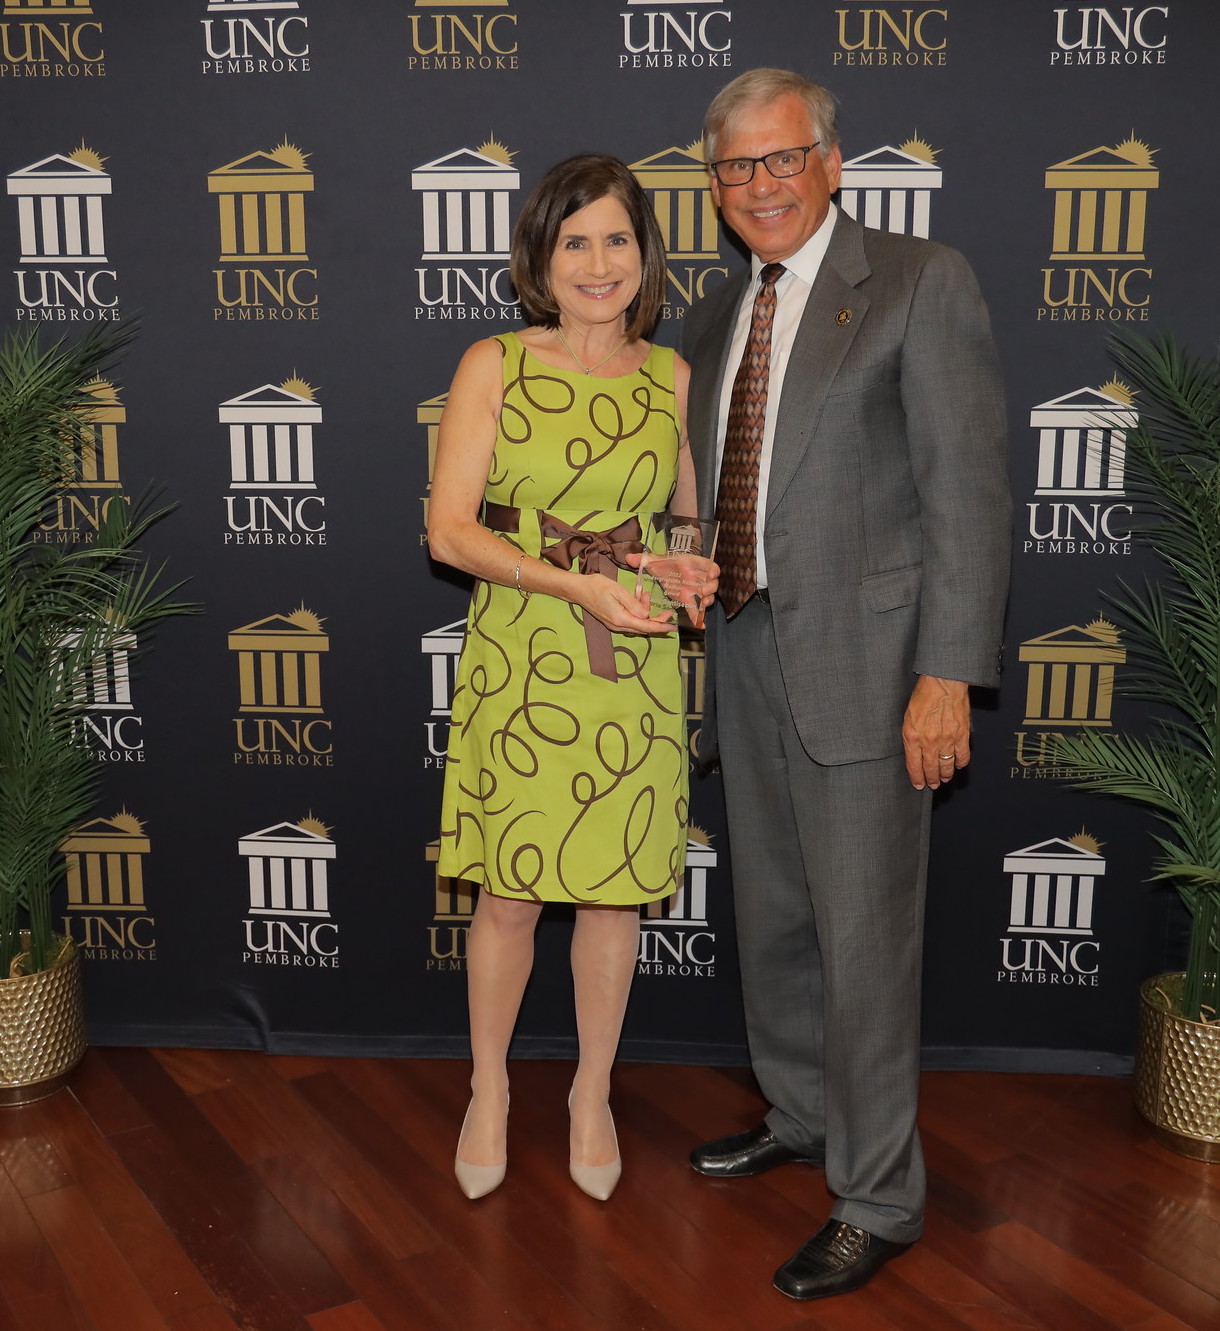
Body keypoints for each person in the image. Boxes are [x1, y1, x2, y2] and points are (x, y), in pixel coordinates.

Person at [683, 70, 1010, 1299]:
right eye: (735, 166)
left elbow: (966, 493)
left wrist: (945, 674)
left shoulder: (919, 282)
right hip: (743, 646)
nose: (759, 184)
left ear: (830, 162)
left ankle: (877, 1196)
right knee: (773, 919)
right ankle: (802, 1112)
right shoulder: (714, 316)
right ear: (712, 184)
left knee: (864, 943)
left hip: (872, 670)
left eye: (782, 158)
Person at [427, 154, 715, 1203]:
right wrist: (569, 584)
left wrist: (682, 565)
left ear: (645, 253)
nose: (598, 264)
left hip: (632, 661)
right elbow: (449, 531)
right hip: (521, 652)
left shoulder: (672, 377)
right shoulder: (494, 363)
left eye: (616, 240)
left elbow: (682, 520)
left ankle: (592, 1092)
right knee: (508, 892)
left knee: (613, 893)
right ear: (540, 261)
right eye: (575, 242)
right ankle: (490, 1088)